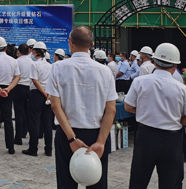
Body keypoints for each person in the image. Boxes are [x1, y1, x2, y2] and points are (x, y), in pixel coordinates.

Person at [47, 26, 116, 189]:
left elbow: (55, 106)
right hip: (97, 133)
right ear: (92, 44)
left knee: (66, 183)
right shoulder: (105, 71)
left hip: (67, 133)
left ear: (70, 43)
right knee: (97, 182)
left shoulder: (57, 67)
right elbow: (111, 109)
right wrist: (101, 142)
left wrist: (72, 139)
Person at [125, 43, 186, 189]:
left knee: (138, 181)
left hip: (146, 137)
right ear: (175, 66)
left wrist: (147, 112)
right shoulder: (182, 89)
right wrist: (174, 117)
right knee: (170, 183)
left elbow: (128, 106)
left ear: (154, 62)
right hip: (171, 140)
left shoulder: (139, 82)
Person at [23, 41, 52, 157]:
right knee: (47, 123)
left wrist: (43, 93)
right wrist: (47, 93)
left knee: (34, 122)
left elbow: (35, 80)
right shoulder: (50, 66)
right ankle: (48, 149)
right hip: (48, 95)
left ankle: (33, 148)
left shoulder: (34, 65)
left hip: (37, 94)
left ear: (35, 52)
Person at [13, 43, 32, 145]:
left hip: (19, 87)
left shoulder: (16, 61)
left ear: (18, 51)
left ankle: (18, 137)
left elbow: (14, 75)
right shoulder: (32, 62)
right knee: (27, 112)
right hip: (29, 88)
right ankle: (24, 132)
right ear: (29, 51)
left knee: (19, 113)